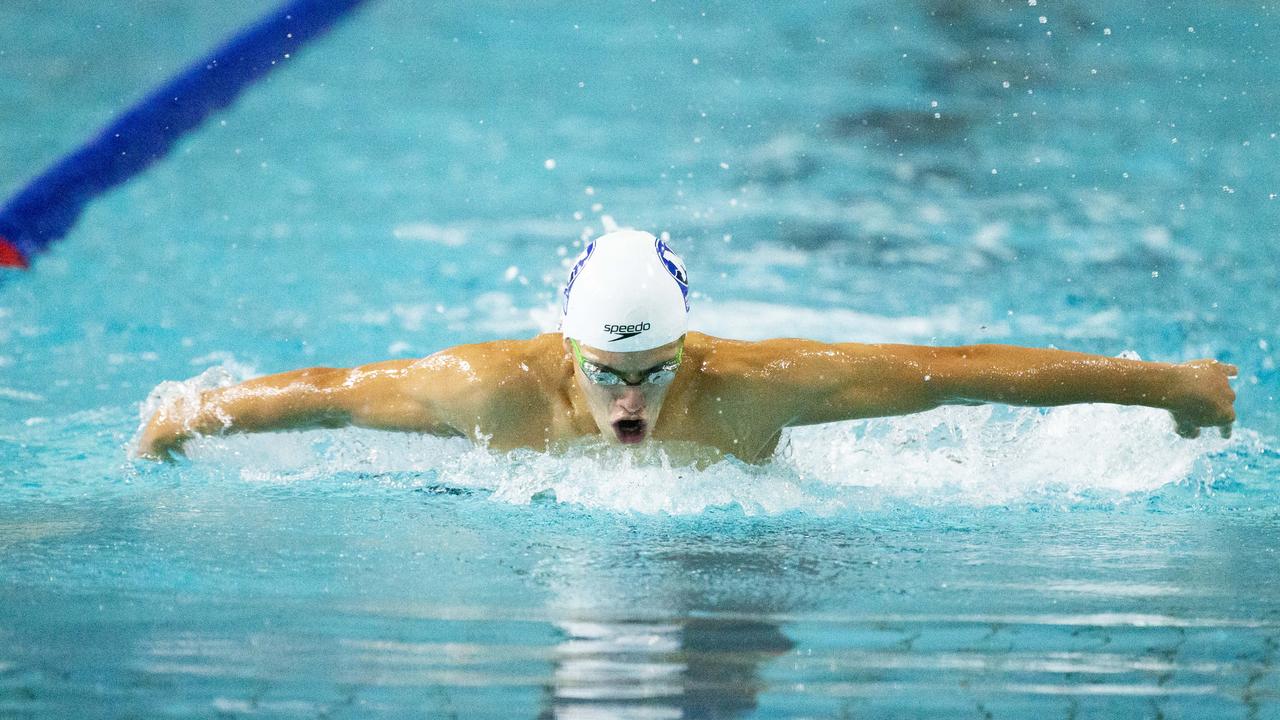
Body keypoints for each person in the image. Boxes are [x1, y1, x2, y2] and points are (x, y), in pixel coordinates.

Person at [137, 229, 1237, 464]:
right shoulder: (486, 390)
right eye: (610, 374)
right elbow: (330, 393)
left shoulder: (752, 388)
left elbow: (959, 371)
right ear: (564, 355)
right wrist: (183, 417)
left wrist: (1167, 388)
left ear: (690, 349)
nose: (632, 397)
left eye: (656, 369)